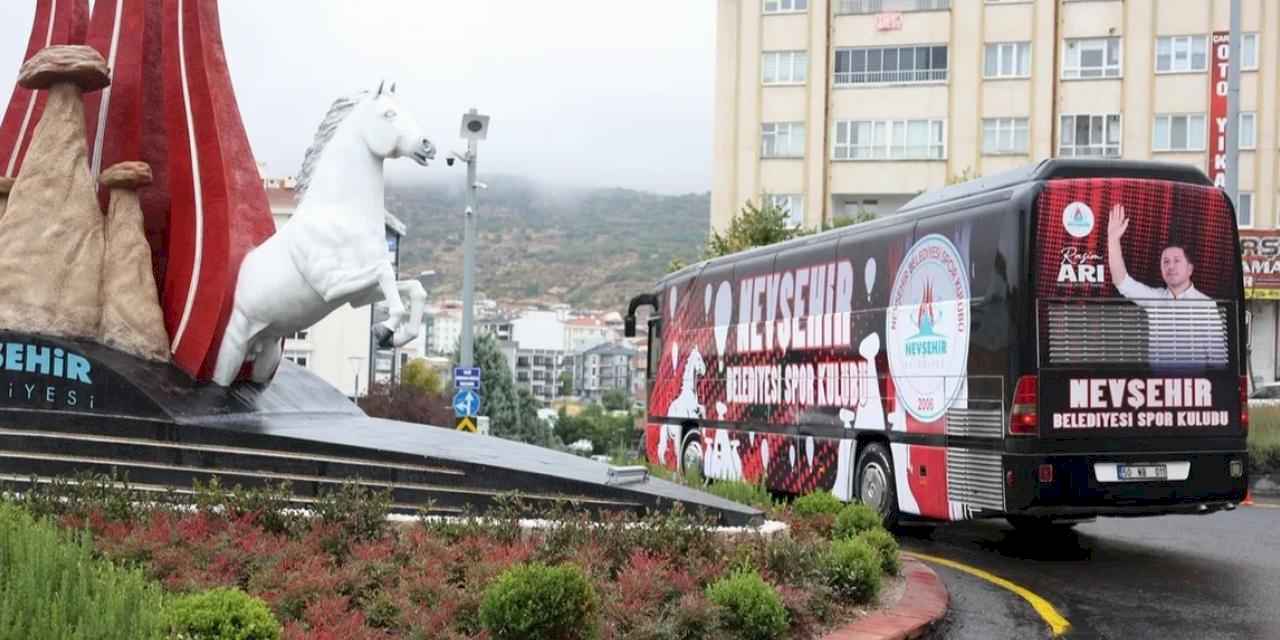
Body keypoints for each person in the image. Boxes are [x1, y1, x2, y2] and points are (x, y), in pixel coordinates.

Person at [1106, 204, 1225, 365]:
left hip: (1194, 388)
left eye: (1177, 261)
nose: (1170, 266)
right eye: (1166, 261)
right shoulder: (1155, 299)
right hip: (1157, 387)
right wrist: (1113, 240)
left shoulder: (1206, 305)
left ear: (1190, 268)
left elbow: (1217, 360)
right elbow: (1122, 282)